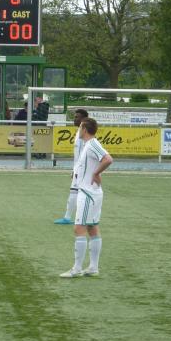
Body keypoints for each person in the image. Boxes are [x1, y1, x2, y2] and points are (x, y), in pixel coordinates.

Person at [60, 118, 113, 278]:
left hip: (88, 193)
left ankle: (76, 269)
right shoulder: (87, 145)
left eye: (80, 128)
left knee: (79, 228)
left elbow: (108, 159)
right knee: (92, 228)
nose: (78, 130)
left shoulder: (92, 144)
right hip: (91, 192)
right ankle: (93, 268)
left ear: (84, 129)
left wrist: (96, 173)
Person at [54, 109, 89, 225]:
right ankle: (73, 218)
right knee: (78, 193)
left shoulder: (84, 133)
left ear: (83, 119)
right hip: (79, 168)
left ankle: (69, 218)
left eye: (77, 117)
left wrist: (77, 169)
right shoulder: (80, 131)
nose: (74, 119)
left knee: (76, 192)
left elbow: (83, 154)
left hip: (82, 169)